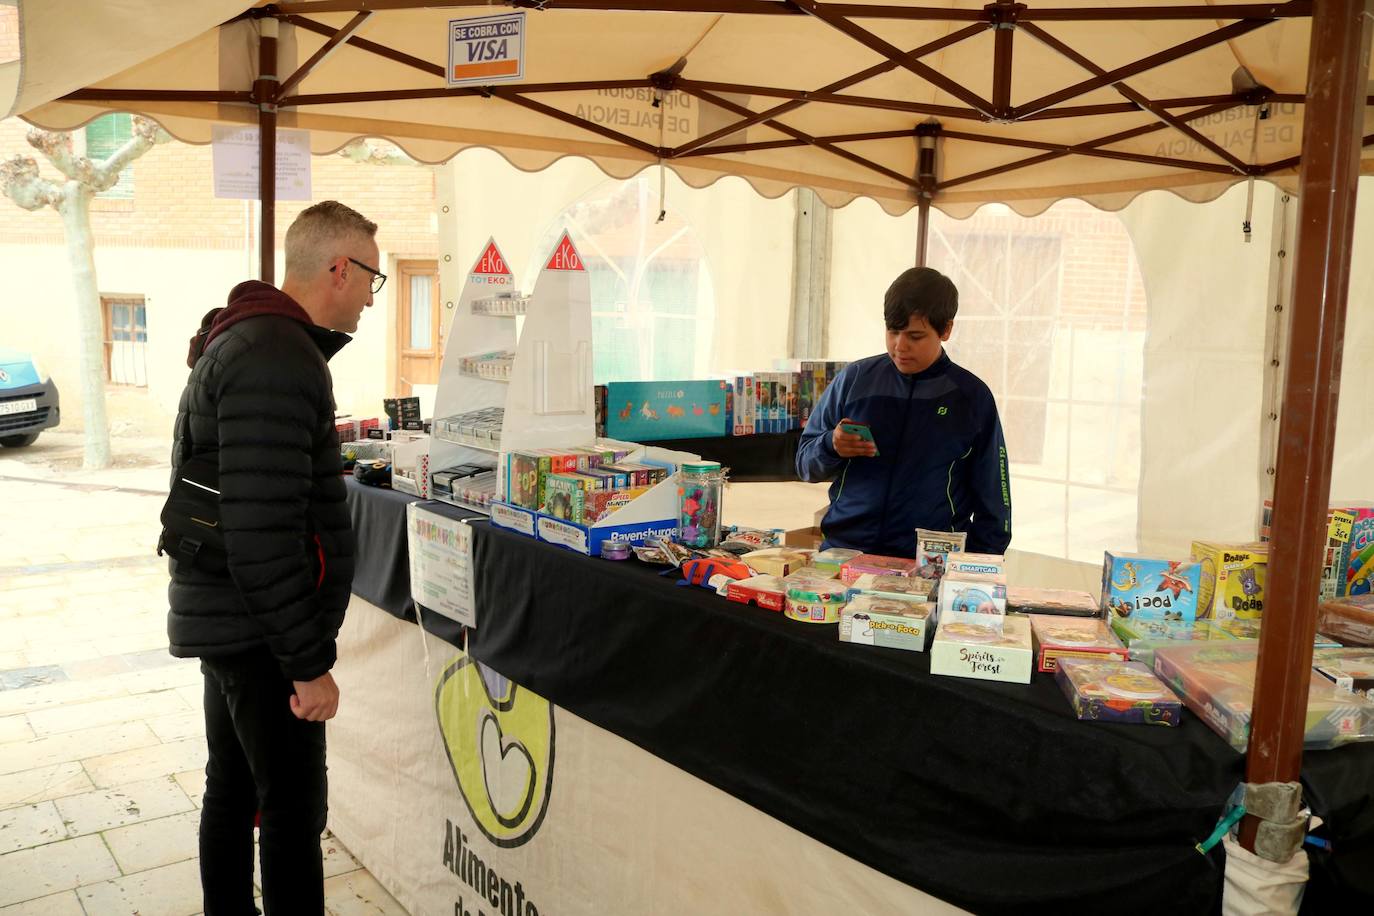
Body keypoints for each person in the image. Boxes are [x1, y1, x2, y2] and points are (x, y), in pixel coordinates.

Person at [167, 200, 381, 914]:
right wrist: (306, 663)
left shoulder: (249, 339)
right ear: (338, 270)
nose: (369, 302)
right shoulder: (278, 355)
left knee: (232, 787)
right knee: (289, 809)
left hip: (231, 616)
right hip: (257, 630)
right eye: (372, 281)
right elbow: (262, 529)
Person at [796, 266, 1011, 557]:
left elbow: (994, 500)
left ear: (946, 329)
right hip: (845, 554)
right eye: (893, 332)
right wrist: (830, 445)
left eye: (915, 336)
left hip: (929, 564)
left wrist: (976, 570)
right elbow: (804, 465)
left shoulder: (972, 398)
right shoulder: (855, 379)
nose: (900, 346)